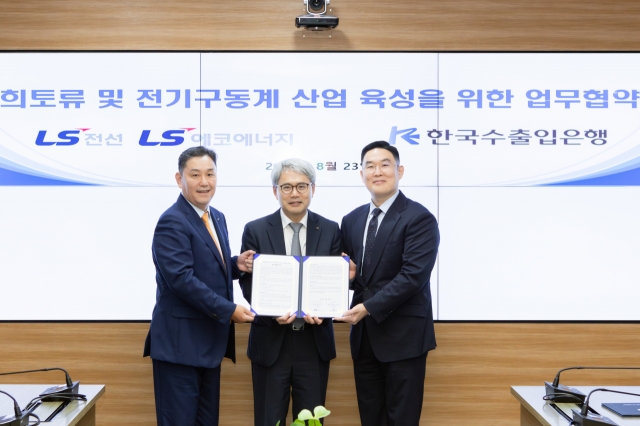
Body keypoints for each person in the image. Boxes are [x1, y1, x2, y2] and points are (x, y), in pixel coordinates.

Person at [143, 146, 256, 426]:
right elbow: (181, 279)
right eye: (195, 175)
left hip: (208, 345)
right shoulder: (172, 220)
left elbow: (205, 266)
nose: (204, 182)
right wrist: (229, 310)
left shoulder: (216, 216)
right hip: (180, 347)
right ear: (179, 179)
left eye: (210, 174)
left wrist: (234, 265)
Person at [336, 141, 440, 426]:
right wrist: (348, 276)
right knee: (370, 417)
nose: (377, 172)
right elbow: (355, 274)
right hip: (365, 338)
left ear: (399, 171)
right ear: (361, 174)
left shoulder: (419, 218)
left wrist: (367, 307)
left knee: (402, 419)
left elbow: (413, 276)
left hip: (404, 337)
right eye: (370, 166)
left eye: (385, 165)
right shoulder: (352, 220)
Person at [239, 158, 342, 426]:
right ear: (275, 191)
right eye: (286, 187)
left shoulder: (331, 230)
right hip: (271, 341)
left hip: (314, 340)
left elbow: (334, 281)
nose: (294, 194)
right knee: (268, 419)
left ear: (313, 189)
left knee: (311, 421)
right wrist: (271, 312)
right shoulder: (256, 229)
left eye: (301, 186)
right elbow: (248, 282)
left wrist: (325, 309)